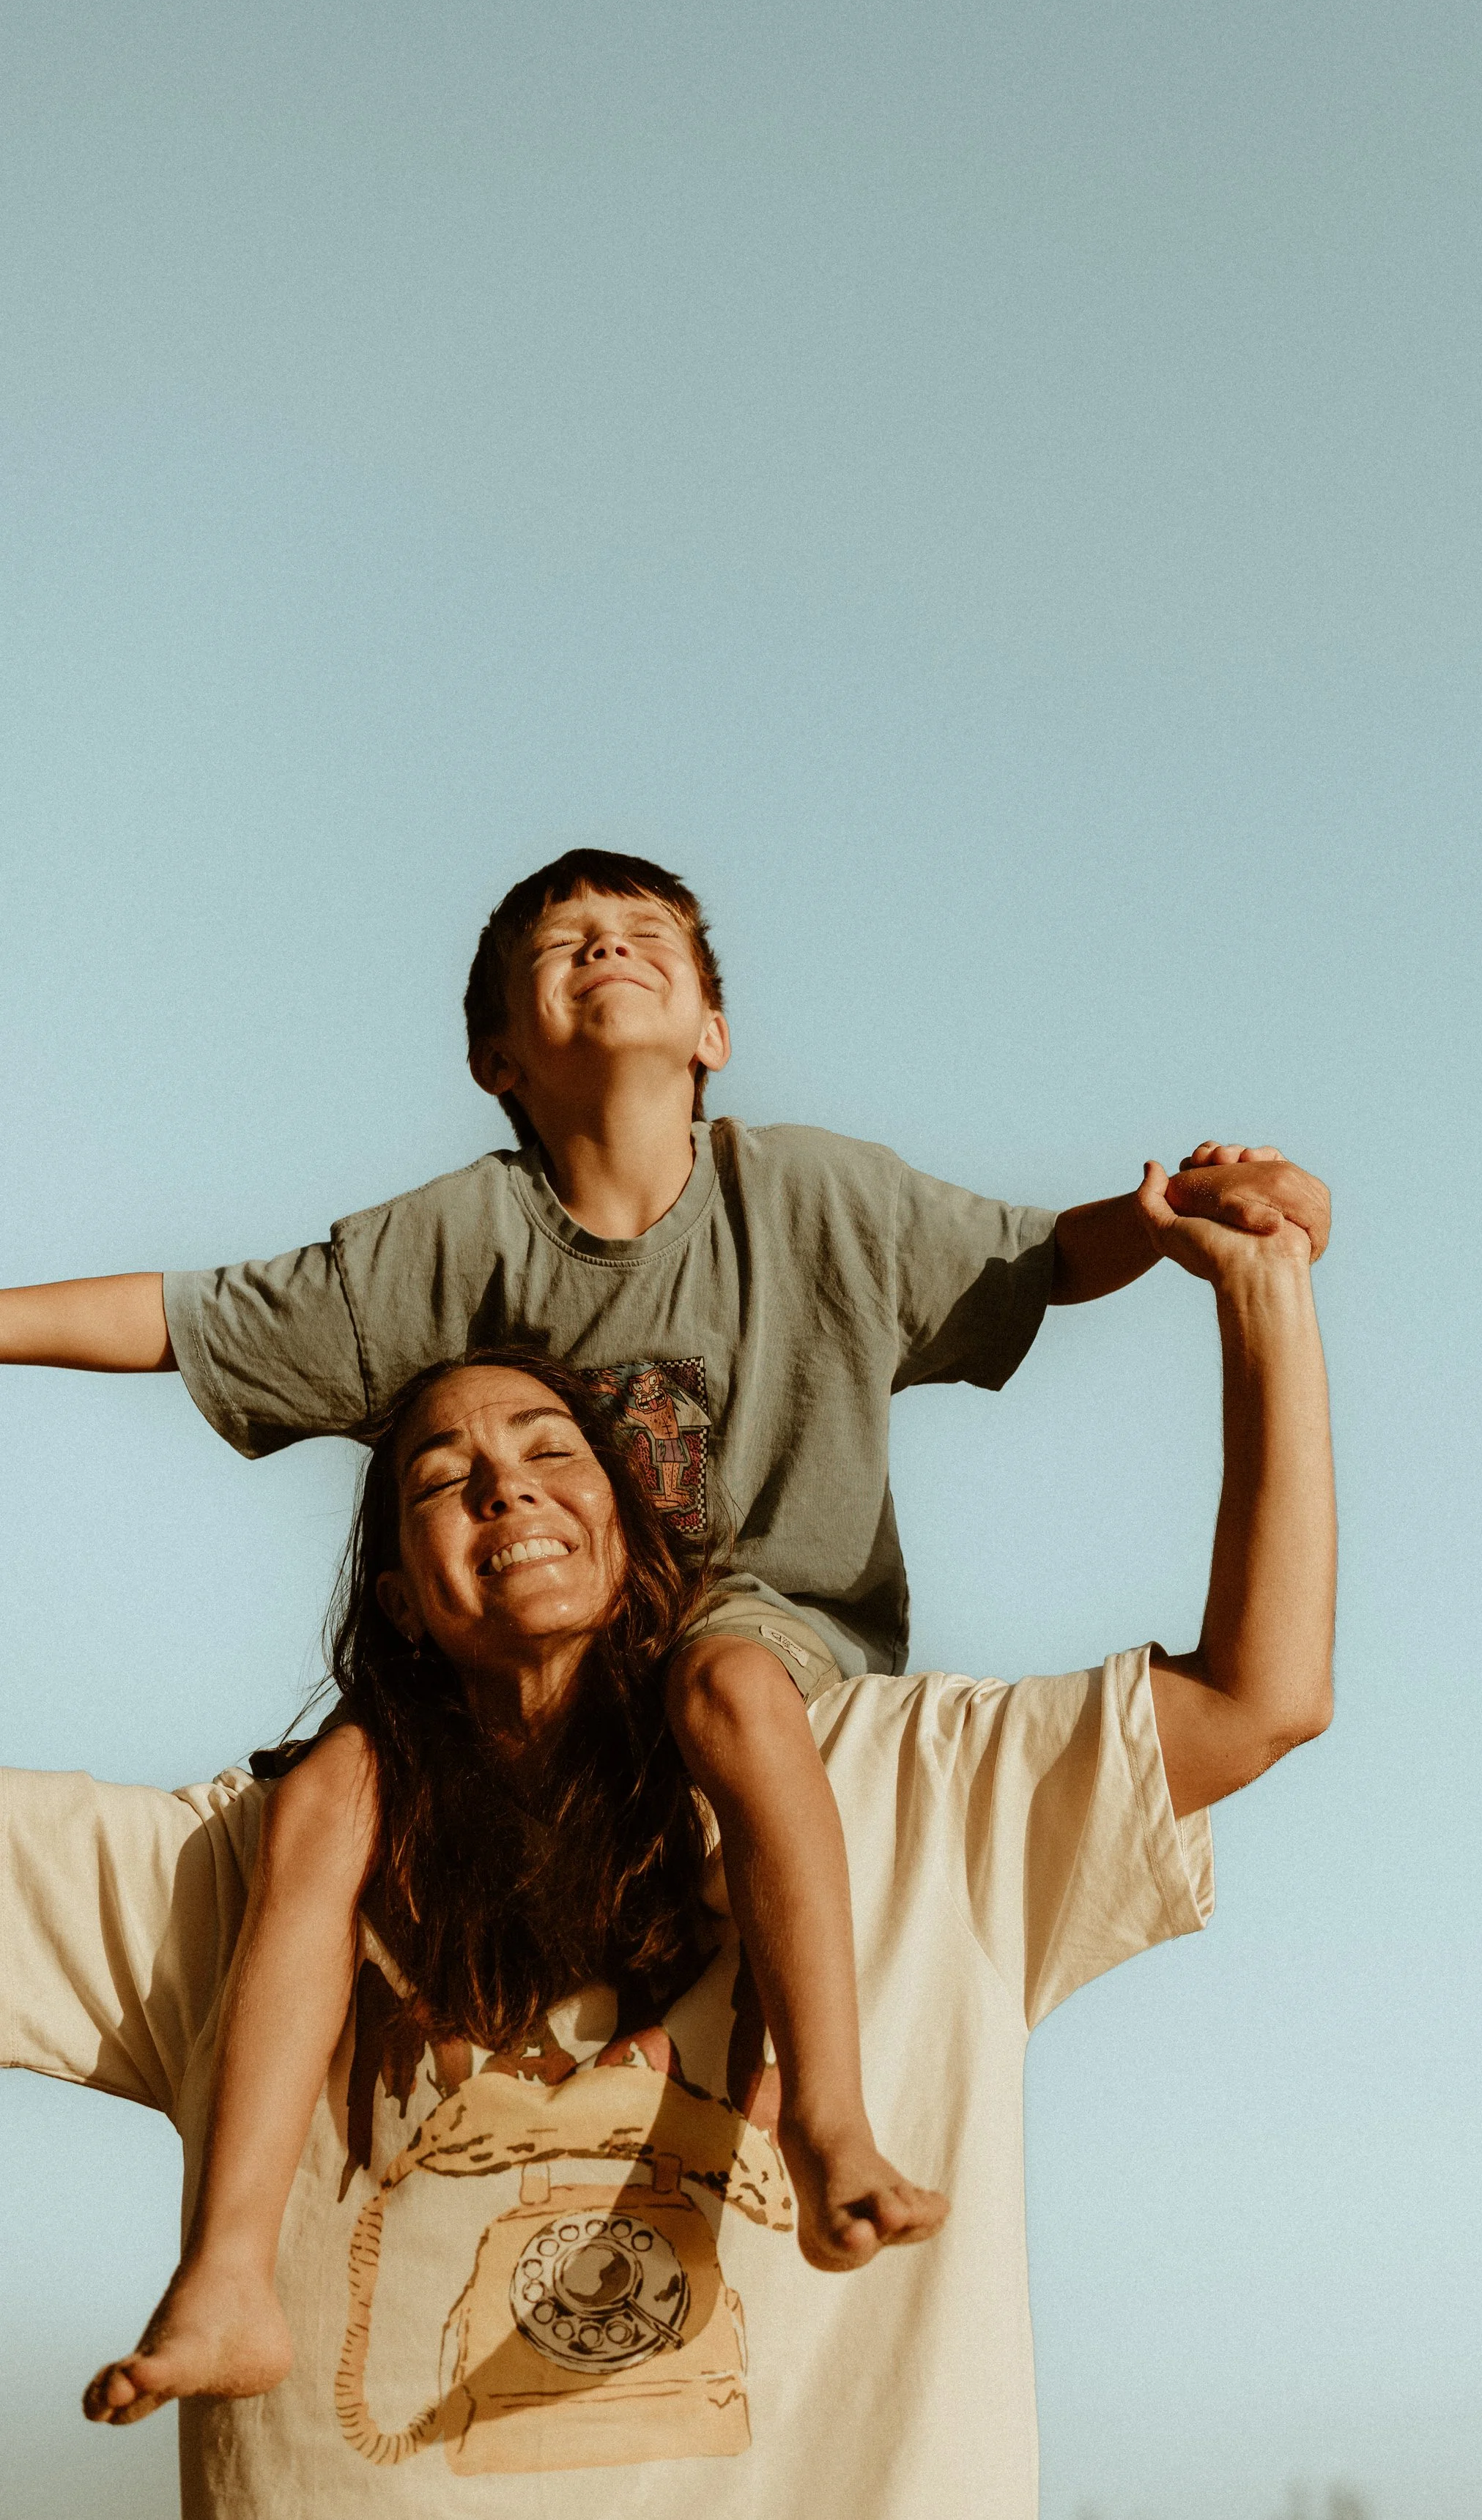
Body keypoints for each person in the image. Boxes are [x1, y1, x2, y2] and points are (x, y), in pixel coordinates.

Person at [0, 847, 1330, 2364]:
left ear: (711, 1027)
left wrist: (1203, 1219)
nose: (603, 947)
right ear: (494, 1053)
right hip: (537, 1689)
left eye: (646, 937)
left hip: (768, 1634)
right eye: (560, 942)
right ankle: (229, 2275)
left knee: (728, 1689)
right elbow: (186, 1317)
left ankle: (828, 2119)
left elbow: (1045, 1252)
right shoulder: (452, 1242)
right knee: (334, 1786)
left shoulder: (816, 1197)